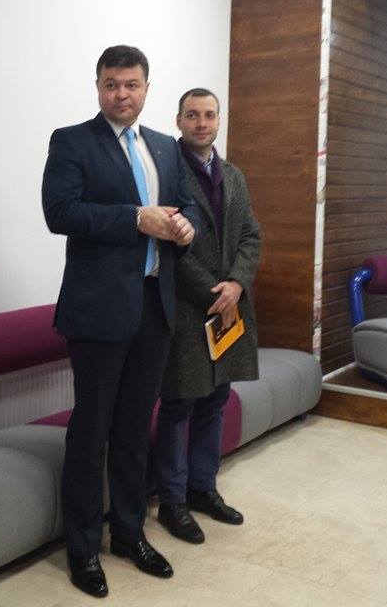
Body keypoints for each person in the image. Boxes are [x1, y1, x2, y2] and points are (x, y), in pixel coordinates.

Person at [41, 45, 199, 598]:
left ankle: (130, 533)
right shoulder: (72, 141)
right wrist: (136, 219)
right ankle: (83, 548)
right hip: (99, 311)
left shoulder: (165, 147)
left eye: (131, 84)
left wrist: (185, 228)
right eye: (111, 84)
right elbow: (59, 212)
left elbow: (186, 206)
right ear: (98, 87)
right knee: (91, 432)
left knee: (134, 430)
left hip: (155, 307)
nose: (121, 94)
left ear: (147, 88)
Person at [154, 88, 261, 545]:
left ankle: (203, 489)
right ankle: (172, 502)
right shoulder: (166, 173)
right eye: (192, 115)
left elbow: (251, 236)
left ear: (219, 120)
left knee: (216, 398)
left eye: (209, 115)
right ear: (178, 120)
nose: (202, 122)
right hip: (185, 307)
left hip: (229, 307)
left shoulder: (233, 175)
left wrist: (236, 284)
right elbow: (165, 245)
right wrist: (212, 291)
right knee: (179, 404)